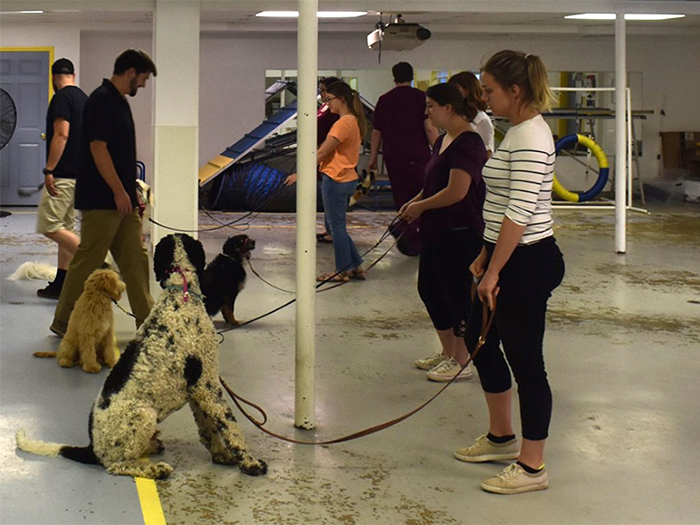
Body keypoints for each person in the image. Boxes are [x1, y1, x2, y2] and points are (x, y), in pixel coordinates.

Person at [454, 50, 565, 495]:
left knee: (527, 363)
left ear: (514, 91)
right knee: (476, 340)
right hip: (504, 256)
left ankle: (532, 467)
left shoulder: (533, 137)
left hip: (528, 261)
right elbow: (499, 207)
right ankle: (501, 437)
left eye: (489, 90)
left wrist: (493, 271)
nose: (484, 98)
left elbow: (519, 214)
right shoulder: (514, 132)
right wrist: (485, 254)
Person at [50, 49, 157, 337]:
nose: (144, 85)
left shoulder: (118, 101)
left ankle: (147, 322)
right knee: (86, 261)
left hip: (122, 201)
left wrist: (130, 193)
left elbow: (120, 153)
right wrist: (119, 191)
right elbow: (98, 149)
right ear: (131, 72)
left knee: (136, 260)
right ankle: (63, 323)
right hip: (102, 200)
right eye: (144, 78)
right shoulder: (101, 100)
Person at [399, 83, 488, 382]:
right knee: (430, 289)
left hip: (460, 232)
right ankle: (448, 352)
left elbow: (457, 191)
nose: (426, 112)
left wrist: (422, 207)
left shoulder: (469, 143)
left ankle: (461, 360)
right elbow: (434, 182)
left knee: (457, 296)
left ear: (448, 107)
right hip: (437, 232)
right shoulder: (442, 141)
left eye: (430, 106)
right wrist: (415, 201)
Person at [367, 62, 439, 255]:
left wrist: (373, 158)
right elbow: (430, 128)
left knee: (402, 198)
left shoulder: (384, 100)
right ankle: (415, 238)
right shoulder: (420, 98)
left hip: (393, 158)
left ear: (394, 77)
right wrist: (440, 151)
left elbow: (376, 132)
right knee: (422, 198)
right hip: (418, 157)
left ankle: (408, 234)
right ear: (412, 76)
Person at [35, 58, 87, 299]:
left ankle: (96, 264)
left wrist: (49, 169)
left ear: (55, 77)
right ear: (73, 75)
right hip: (80, 175)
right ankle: (62, 283)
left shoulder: (61, 98)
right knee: (65, 227)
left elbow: (62, 134)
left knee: (50, 225)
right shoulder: (84, 99)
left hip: (63, 176)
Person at [315, 81, 367, 282]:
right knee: (337, 226)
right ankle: (355, 266)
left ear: (342, 100)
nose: (328, 105)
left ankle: (342, 271)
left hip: (336, 178)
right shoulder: (353, 121)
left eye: (329, 100)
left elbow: (323, 151)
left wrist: (301, 172)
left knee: (336, 228)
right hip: (346, 178)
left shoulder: (344, 123)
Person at [448, 71, 495, 156]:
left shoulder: (481, 119)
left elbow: (487, 152)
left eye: (456, 88)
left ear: (468, 90)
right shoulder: (458, 116)